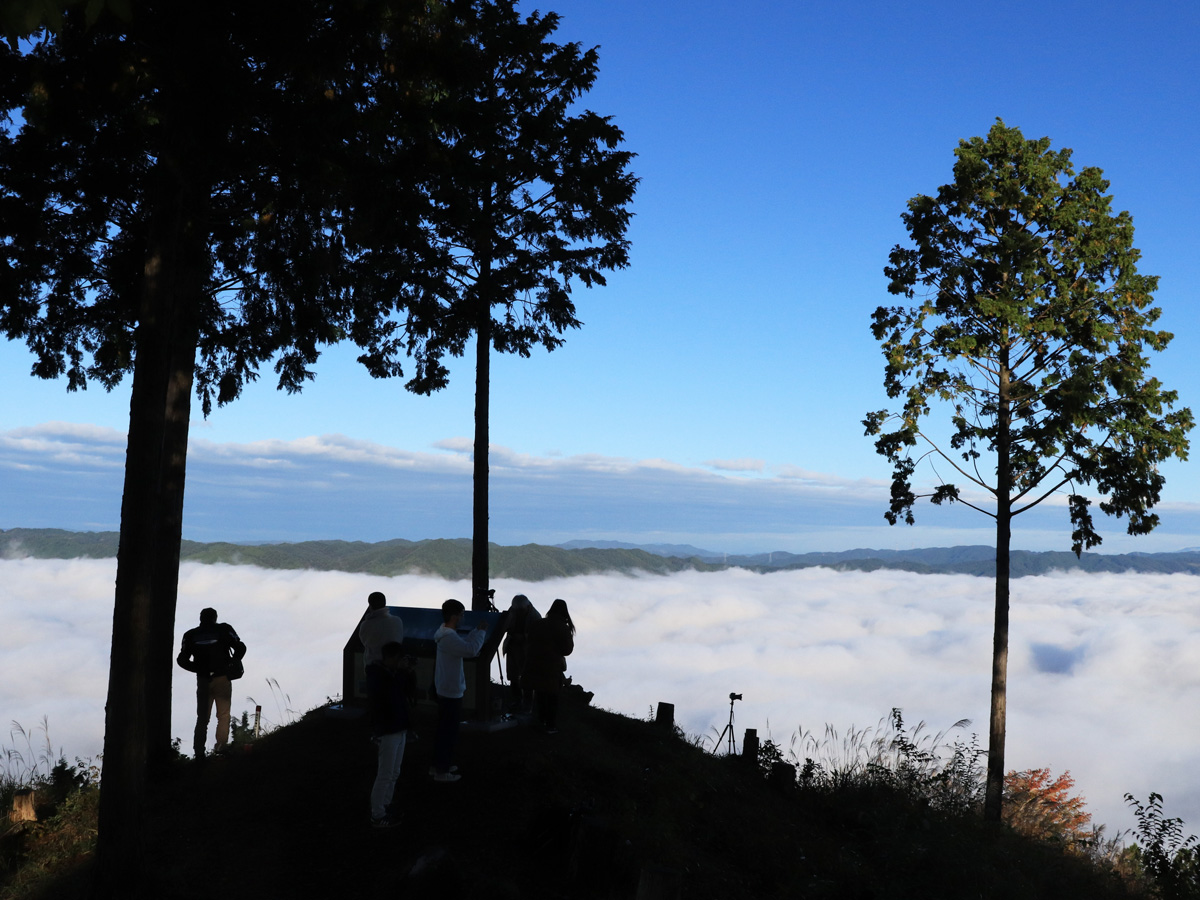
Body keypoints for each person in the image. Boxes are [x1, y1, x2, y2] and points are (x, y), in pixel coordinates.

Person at [177, 607, 246, 758]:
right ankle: (221, 747)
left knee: (202, 718)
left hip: (203, 680)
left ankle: (199, 752)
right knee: (223, 715)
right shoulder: (224, 629)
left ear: (200, 618)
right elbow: (240, 647)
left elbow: (181, 660)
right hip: (222, 678)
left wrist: (197, 669)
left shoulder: (190, 635)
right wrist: (233, 662)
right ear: (215, 617)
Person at [432, 599, 486, 782]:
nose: (463, 618)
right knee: (449, 732)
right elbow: (470, 650)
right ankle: (442, 771)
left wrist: (476, 632)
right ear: (455, 616)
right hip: (450, 691)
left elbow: (463, 646)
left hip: (444, 687)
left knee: (444, 730)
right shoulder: (449, 637)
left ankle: (440, 764)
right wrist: (482, 633)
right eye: (462, 614)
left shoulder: (445, 634)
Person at [366, 641, 412, 828]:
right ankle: (377, 814)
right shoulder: (378, 676)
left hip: (398, 728)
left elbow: (406, 692)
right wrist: (401, 673)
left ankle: (385, 805)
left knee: (394, 772)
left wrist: (407, 673)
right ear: (392, 658)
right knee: (385, 774)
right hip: (388, 730)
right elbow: (390, 695)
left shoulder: (391, 675)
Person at [523, 598, 574, 734]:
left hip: (534, 663)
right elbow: (567, 650)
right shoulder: (563, 627)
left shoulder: (538, 624)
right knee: (552, 697)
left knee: (540, 694)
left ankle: (539, 722)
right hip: (552, 667)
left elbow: (528, 641)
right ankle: (550, 726)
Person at [502, 594, 539, 712]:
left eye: (520, 610)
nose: (518, 613)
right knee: (513, 675)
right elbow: (505, 625)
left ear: (527, 607)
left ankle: (528, 702)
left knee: (527, 675)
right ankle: (516, 699)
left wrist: (523, 637)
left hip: (527, 649)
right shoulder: (512, 611)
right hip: (513, 646)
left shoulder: (535, 616)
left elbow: (536, 635)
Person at [359, 590, 405, 666]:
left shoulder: (366, 625)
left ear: (370, 605)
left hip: (373, 667)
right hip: (394, 666)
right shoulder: (397, 621)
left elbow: (365, 642)